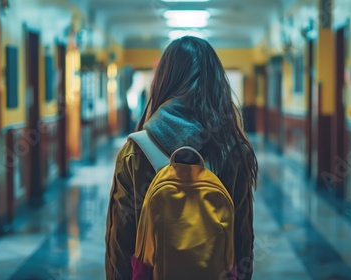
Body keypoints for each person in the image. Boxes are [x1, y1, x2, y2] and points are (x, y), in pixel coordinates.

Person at [105, 36, 258, 279]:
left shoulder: (135, 153)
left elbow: (120, 245)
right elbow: (243, 243)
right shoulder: (234, 152)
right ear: (218, 84)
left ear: (163, 82)